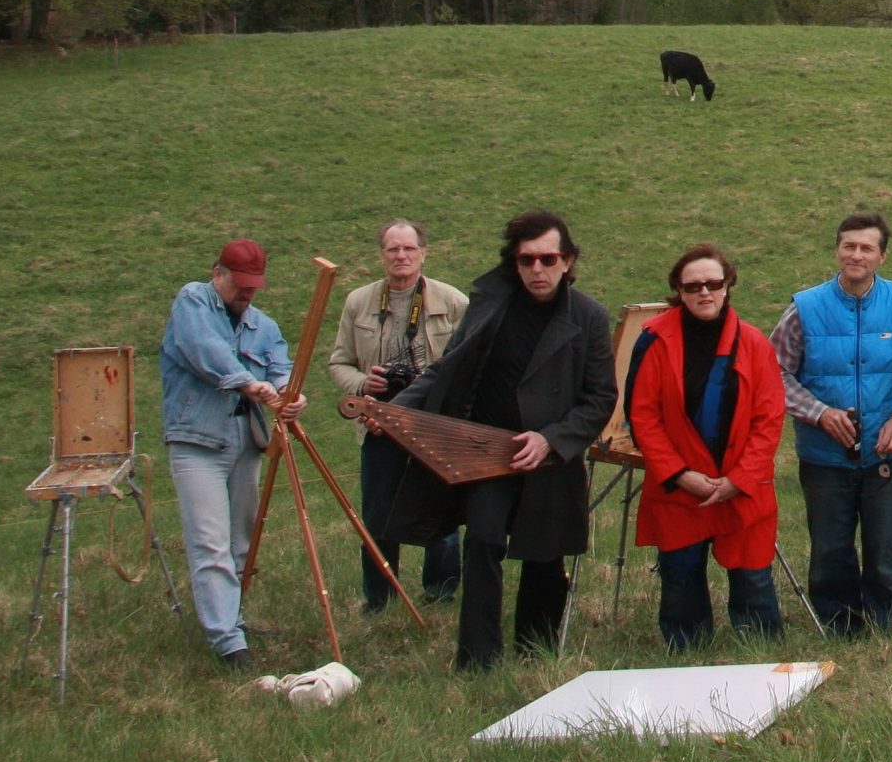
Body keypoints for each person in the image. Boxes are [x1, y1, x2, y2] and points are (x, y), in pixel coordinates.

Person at [387, 210, 616, 671]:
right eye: (527, 259)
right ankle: (477, 659)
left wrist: (552, 439)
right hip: (488, 452)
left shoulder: (589, 317)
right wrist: (396, 412)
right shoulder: (490, 304)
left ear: (568, 261)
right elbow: (446, 369)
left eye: (549, 259)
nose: (538, 270)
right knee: (484, 542)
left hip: (549, 459)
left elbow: (600, 397)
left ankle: (535, 654)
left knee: (544, 556)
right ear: (514, 262)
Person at [771, 212, 892, 634]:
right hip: (824, 455)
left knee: (888, 547)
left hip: (887, 453)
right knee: (830, 549)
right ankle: (839, 627)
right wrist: (819, 413)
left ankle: (888, 625)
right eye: (849, 246)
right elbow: (773, 372)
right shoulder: (804, 308)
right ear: (837, 250)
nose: (856, 255)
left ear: (883, 254)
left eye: (866, 248)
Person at [628, 244, 786, 650]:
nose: (704, 292)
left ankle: (762, 658)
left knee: (752, 577)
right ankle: (687, 656)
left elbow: (769, 420)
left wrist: (739, 478)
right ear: (678, 291)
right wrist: (680, 475)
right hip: (680, 490)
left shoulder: (753, 344)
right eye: (693, 286)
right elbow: (642, 417)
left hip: (741, 489)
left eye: (713, 284)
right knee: (680, 578)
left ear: (728, 285)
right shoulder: (652, 340)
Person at [159, 238, 306, 669]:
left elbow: (282, 371)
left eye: (253, 286)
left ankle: (232, 617)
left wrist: (290, 396)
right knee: (209, 542)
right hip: (197, 443)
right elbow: (207, 352)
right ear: (217, 273)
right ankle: (227, 643)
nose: (246, 293)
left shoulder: (265, 326)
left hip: (246, 444)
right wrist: (247, 382)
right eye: (239, 284)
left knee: (242, 540)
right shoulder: (192, 301)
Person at [326, 218, 469, 611]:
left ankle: (441, 594)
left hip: (433, 426)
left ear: (424, 253)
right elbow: (339, 362)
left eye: (408, 248)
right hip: (377, 425)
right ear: (382, 256)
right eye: (393, 249)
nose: (401, 256)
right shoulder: (359, 302)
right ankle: (380, 598)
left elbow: (470, 365)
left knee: (440, 512)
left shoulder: (453, 302)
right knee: (377, 516)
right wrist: (361, 385)